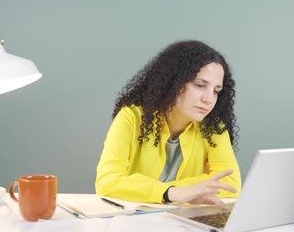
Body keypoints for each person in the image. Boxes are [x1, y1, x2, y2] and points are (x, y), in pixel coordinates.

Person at [95, 40, 241, 209]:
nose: (209, 99)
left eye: (216, 91)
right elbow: (108, 182)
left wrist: (181, 191)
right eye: (200, 85)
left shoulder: (213, 127)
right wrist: (173, 193)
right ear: (173, 82)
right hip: (132, 222)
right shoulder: (131, 117)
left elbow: (230, 184)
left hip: (183, 224)